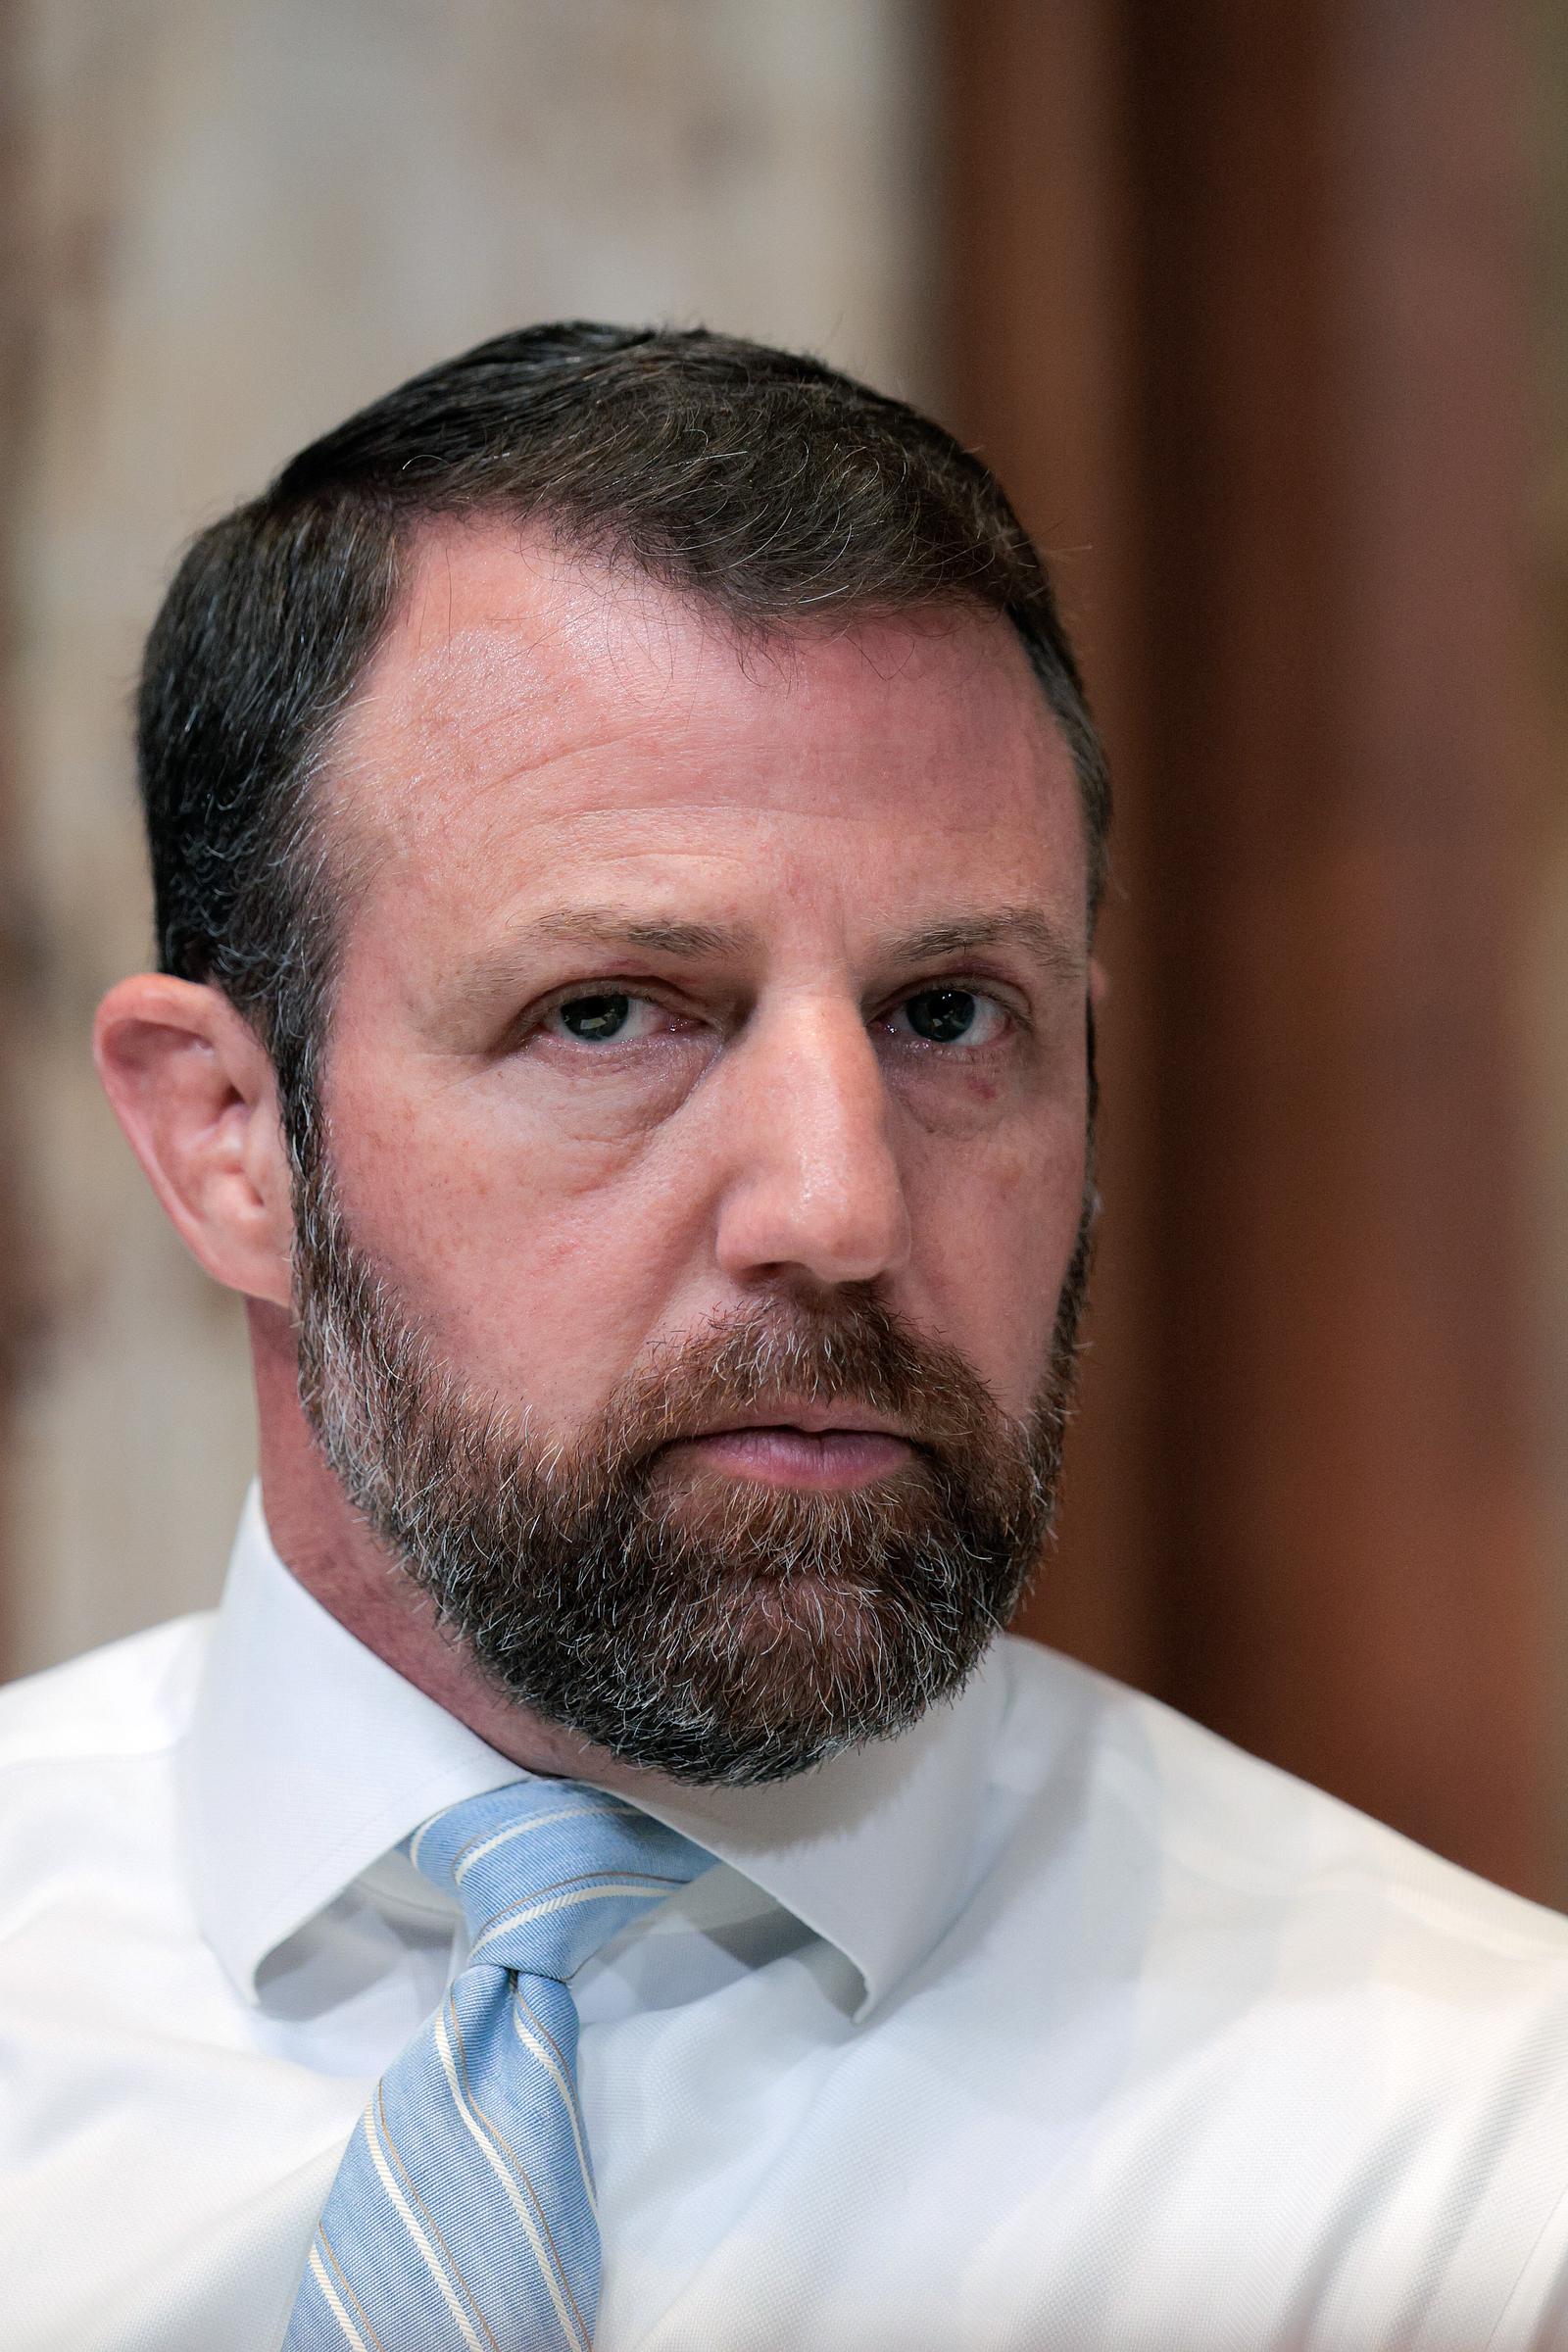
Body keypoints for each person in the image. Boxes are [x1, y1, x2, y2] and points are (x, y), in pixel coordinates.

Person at [3, 322, 1568, 2352]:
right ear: (232, 1140)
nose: (838, 1209)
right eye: (611, 1012)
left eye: (944, 1018)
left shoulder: (1462, 2174)